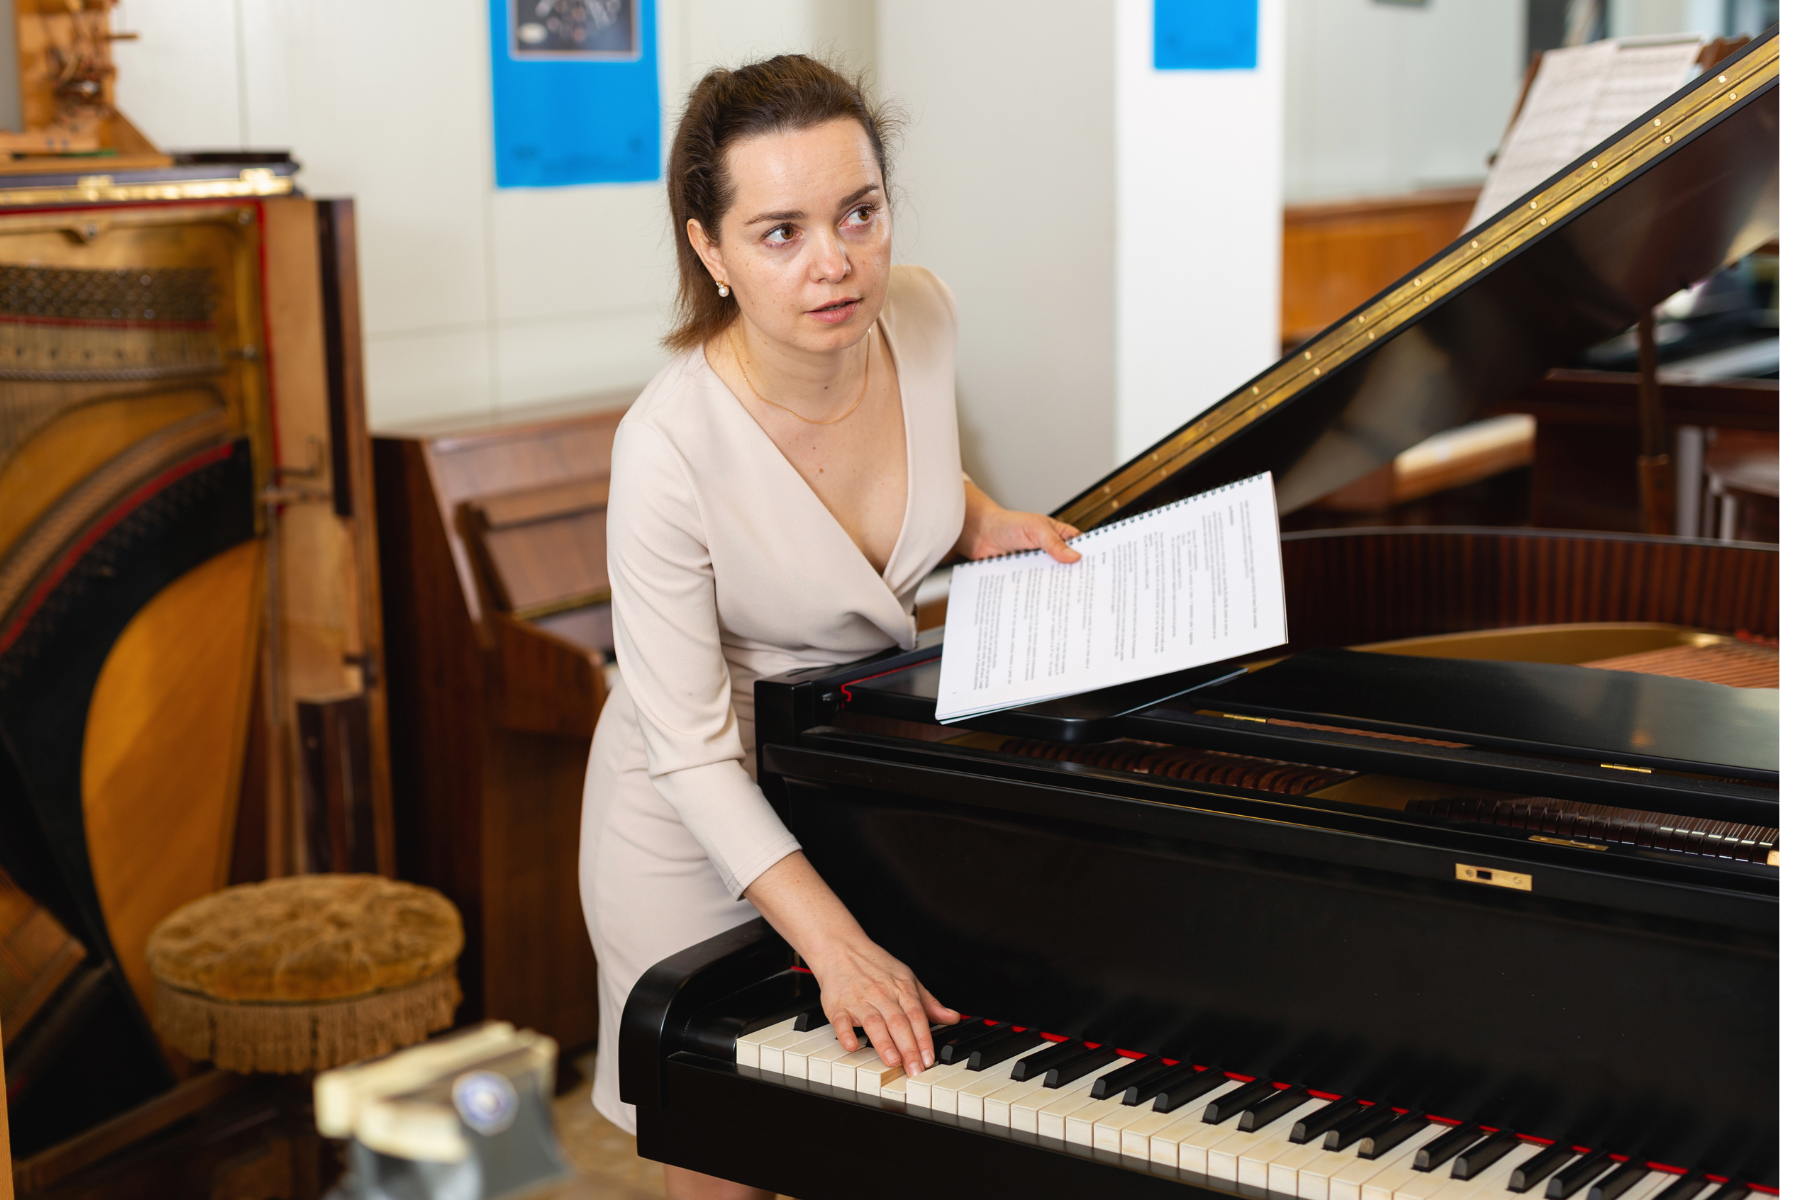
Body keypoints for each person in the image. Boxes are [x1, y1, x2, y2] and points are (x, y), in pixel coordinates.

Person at [579, 54, 1082, 1200]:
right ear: (708, 251)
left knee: (865, 1144)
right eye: (780, 232)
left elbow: (927, 477)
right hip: (694, 821)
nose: (835, 261)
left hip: (850, 778)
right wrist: (836, 945)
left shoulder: (922, 313)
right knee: (730, 1168)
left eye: (859, 212)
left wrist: (986, 522)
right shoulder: (666, 448)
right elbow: (692, 751)